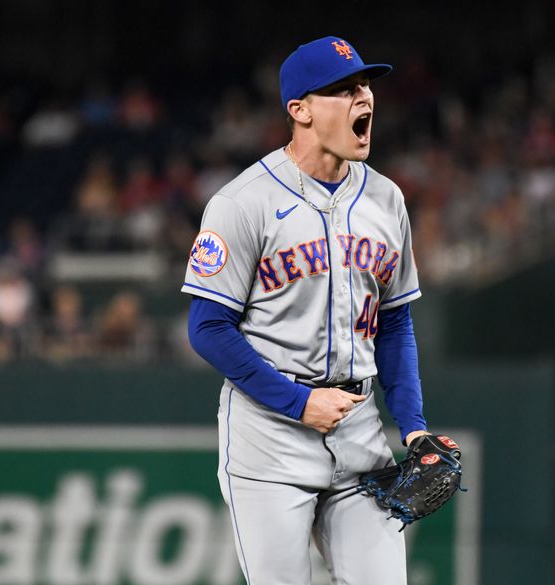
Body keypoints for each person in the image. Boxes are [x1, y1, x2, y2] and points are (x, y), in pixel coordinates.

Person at [182, 36, 428, 585]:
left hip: (359, 429)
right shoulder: (242, 202)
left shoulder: (387, 200)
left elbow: (394, 323)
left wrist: (412, 428)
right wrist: (297, 402)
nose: (363, 97)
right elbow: (206, 328)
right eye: (343, 89)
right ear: (301, 110)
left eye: (365, 85)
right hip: (270, 435)